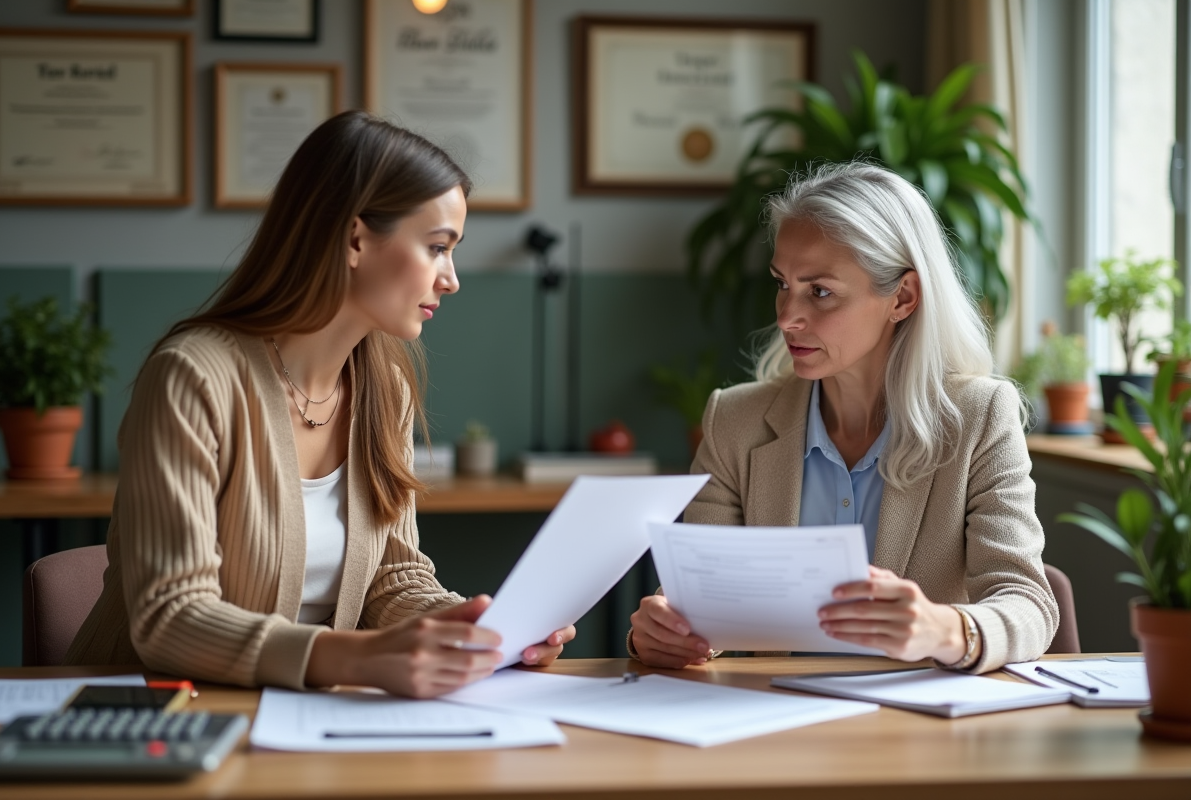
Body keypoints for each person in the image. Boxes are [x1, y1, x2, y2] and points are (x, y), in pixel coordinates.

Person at [65, 111, 573, 697]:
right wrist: (358, 659)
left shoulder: (387, 388)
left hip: (297, 719)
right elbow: (171, 618)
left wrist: (475, 633)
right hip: (149, 719)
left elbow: (393, 578)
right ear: (356, 239)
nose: (451, 278)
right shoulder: (194, 377)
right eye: (437, 247)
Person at [628, 162, 1057, 674]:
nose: (788, 315)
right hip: (771, 725)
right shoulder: (734, 421)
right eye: (782, 283)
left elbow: (1028, 603)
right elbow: (696, 600)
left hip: (919, 732)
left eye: (821, 291)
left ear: (902, 298)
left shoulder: (979, 417)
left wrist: (944, 629)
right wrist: (667, 632)